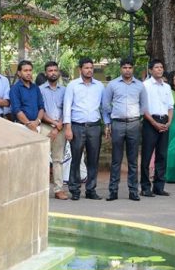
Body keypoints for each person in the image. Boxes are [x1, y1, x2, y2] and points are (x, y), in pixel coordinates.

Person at [63, 58, 106, 201]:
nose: (89, 70)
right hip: (77, 127)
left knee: (93, 159)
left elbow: (104, 107)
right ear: (80, 69)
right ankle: (75, 190)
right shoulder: (72, 85)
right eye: (86, 68)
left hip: (94, 126)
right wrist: (68, 128)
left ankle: (91, 189)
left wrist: (106, 124)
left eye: (91, 68)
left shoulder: (99, 86)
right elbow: (67, 107)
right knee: (76, 159)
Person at [103, 59, 145, 201]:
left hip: (134, 124)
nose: (127, 70)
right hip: (118, 124)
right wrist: (110, 120)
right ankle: (113, 191)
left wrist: (137, 118)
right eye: (125, 67)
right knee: (116, 159)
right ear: (121, 69)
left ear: (133, 68)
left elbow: (144, 105)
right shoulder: (112, 84)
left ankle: (133, 191)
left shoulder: (139, 85)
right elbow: (105, 104)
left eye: (130, 67)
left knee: (133, 160)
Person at [139, 59, 174, 198]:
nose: (160, 69)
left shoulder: (167, 87)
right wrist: (154, 123)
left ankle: (159, 187)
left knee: (162, 155)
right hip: (150, 121)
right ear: (150, 70)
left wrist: (169, 122)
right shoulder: (145, 85)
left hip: (164, 121)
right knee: (147, 155)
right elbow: (143, 108)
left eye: (161, 67)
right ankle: (145, 187)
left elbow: (170, 107)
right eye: (157, 67)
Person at [37, 61, 70, 199]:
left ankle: (58, 190)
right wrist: (54, 124)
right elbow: (40, 109)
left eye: (55, 70)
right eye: (50, 71)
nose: (53, 73)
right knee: (41, 159)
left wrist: (59, 125)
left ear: (59, 72)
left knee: (58, 160)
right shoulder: (39, 90)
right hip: (45, 127)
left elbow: (66, 109)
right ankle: (40, 190)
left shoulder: (65, 90)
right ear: (46, 73)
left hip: (60, 128)